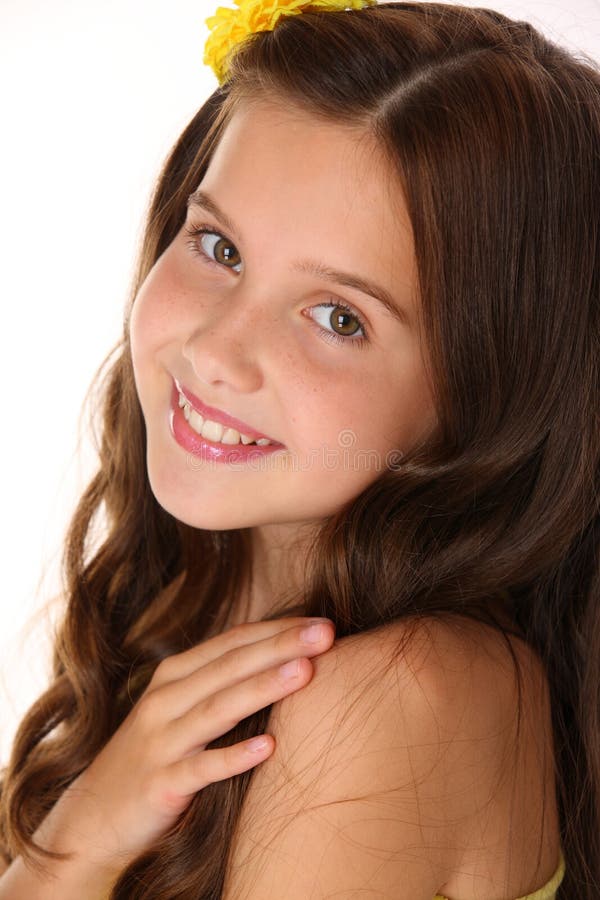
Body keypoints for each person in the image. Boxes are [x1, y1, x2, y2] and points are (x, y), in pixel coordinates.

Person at [0, 0, 598, 896]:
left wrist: (71, 859)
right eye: (219, 246)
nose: (214, 351)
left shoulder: (393, 698)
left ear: (492, 393)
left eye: (337, 316)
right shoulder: (193, 608)